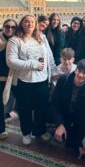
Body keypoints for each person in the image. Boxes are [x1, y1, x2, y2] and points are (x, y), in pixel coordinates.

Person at [6, 15, 52, 145]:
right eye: (26, 21)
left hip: (42, 79)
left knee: (41, 108)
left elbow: (49, 56)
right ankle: (26, 132)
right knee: (24, 109)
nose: (29, 24)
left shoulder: (41, 37)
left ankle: (39, 130)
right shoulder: (15, 40)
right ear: (22, 24)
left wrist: (51, 72)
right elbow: (11, 61)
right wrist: (33, 64)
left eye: (32, 21)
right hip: (24, 81)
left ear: (36, 24)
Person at [51, 59, 85, 158]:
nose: (81, 75)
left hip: (79, 120)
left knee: (73, 146)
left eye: (84, 73)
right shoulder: (63, 80)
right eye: (79, 71)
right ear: (75, 70)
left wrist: (79, 144)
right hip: (65, 115)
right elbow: (55, 103)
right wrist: (59, 124)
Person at [0, 19, 17, 139]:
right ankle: (1, 129)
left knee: (22, 100)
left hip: (15, 77)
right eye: (7, 26)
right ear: (3, 27)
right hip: (1, 77)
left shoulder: (17, 41)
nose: (10, 29)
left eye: (13, 27)